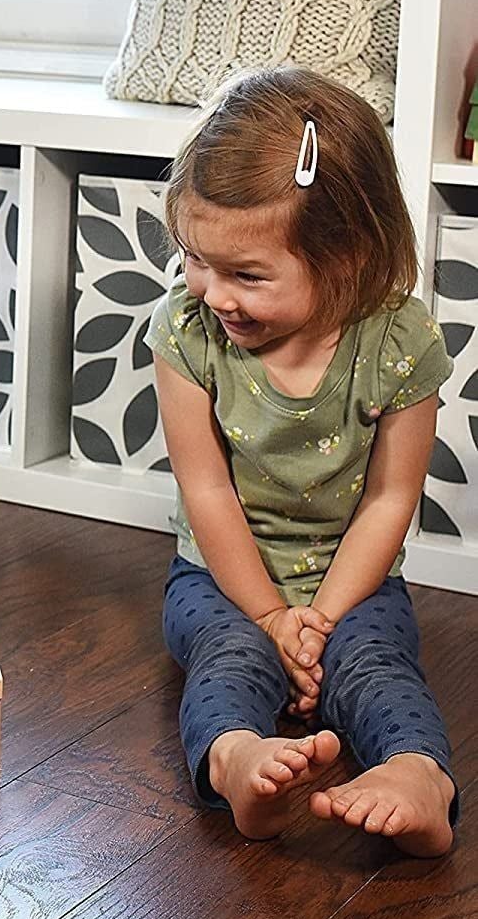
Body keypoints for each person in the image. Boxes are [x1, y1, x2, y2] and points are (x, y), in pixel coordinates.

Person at [149, 66, 458, 856]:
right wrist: (268, 618)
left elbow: (390, 500)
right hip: (220, 577)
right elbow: (206, 490)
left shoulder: (400, 342)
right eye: (196, 259)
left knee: (377, 664)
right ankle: (234, 761)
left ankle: (418, 775)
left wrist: (318, 620)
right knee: (228, 659)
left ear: (347, 255)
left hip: (352, 580)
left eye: (247, 275)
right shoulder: (187, 332)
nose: (214, 294)